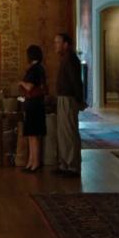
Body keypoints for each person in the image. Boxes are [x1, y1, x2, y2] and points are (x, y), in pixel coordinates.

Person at [53, 33, 86, 177]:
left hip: (68, 99)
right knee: (63, 133)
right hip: (63, 99)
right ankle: (64, 164)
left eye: (58, 42)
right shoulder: (66, 58)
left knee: (69, 133)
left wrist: (79, 100)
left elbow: (76, 82)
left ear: (66, 44)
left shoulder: (71, 59)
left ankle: (72, 166)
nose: (56, 45)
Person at [18, 44, 47, 173]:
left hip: (34, 104)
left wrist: (21, 82)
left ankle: (35, 163)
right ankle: (31, 162)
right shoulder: (39, 68)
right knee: (31, 134)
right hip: (35, 104)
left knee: (33, 135)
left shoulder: (34, 69)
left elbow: (29, 87)